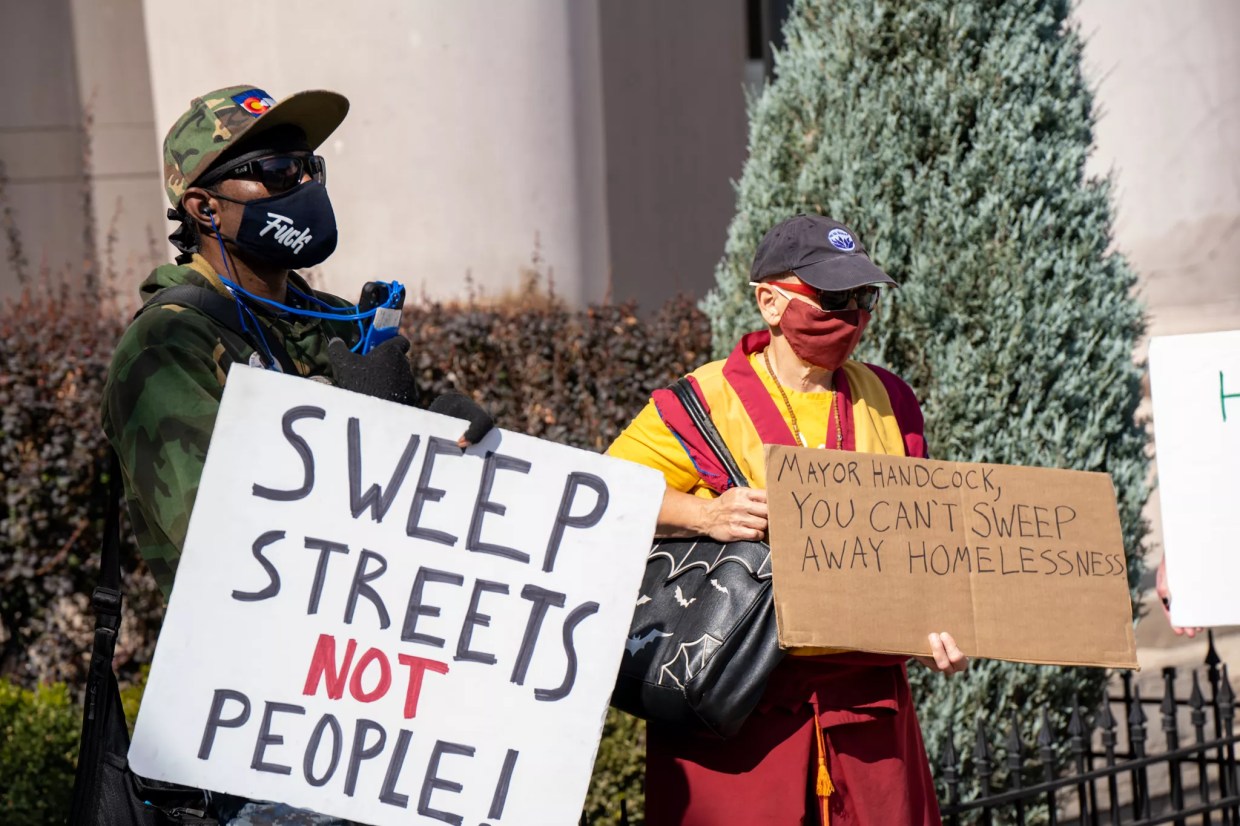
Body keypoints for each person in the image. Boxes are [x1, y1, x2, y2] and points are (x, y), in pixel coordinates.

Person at [100, 85, 490, 824]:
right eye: (274, 172)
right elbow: (226, 547)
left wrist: (455, 436)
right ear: (203, 207)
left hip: (384, 709)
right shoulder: (169, 346)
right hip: (266, 732)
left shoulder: (336, 321)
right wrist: (374, 434)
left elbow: (423, 501)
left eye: (307, 167)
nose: (302, 187)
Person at [608, 214, 968, 825]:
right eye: (833, 297)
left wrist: (943, 626)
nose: (852, 314)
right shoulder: (697, 403)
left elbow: (920, 540)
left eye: (863, 297)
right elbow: (606, 500)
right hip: (734, 703)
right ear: (771, 302)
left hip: (867, 709)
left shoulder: (891, 399)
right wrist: (705, 514)